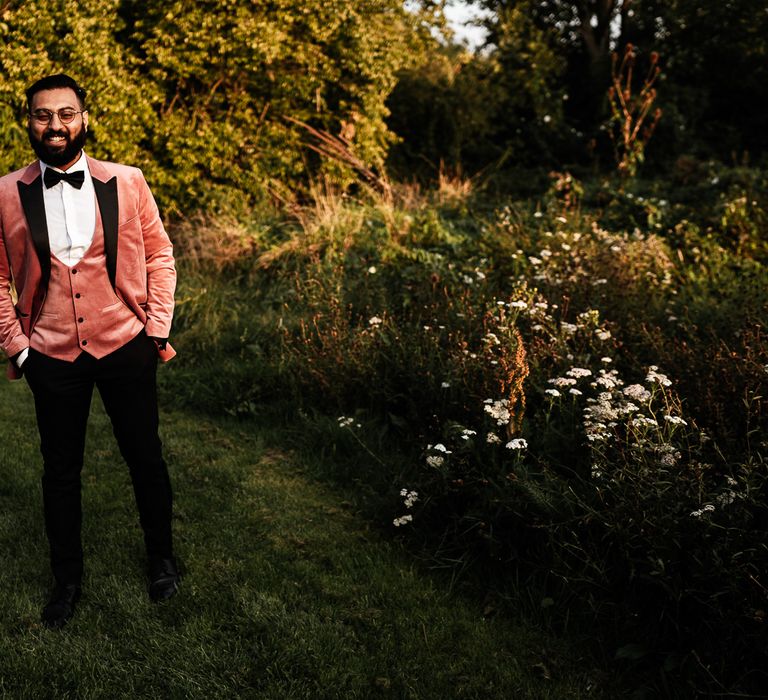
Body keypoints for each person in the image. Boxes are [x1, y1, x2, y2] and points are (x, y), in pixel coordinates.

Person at [0, 74, 180, 629]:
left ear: (84, 117)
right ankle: (66, 580)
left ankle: (161, 560)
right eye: (42, 114)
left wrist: (155, 329)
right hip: (50, 355)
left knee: (144, 458)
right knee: (60, 472)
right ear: (27, 121)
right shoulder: (5, 191)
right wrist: (19, 347)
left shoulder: (127, 181)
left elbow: (159, 256)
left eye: (65, 113)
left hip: (126, 343)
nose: (54, 125)